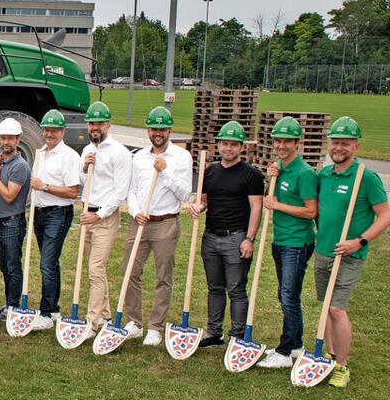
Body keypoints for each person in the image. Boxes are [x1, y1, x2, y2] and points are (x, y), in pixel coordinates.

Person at [311, 116, 390, 388]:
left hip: (349, 254)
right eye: (335, 142)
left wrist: (360, 242)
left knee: (336, 308)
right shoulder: (324, 173)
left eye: (345, 143)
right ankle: (331, 357)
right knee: (325, 307)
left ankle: (342, 365)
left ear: (356, 146)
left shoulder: (366, 177)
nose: (339, 147)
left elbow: (385, 217)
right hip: (323, 249)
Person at [121, 106, 192, 346]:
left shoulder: (182, 157)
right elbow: (130, 190)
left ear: (170, 130)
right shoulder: (138, 157)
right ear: (148, 130)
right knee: (130, 271)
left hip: (166, 223)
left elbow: (184, 194)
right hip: (140, 221)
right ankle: (135, 322)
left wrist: (165, 173)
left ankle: (155, 327)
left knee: (163, 277)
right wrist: (135, 211)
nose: (158, 133)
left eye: (162, 129)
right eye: (153, 129)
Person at [189, 121, 264, 348]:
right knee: (214, 287)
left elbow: (257, 208)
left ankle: (237, 335)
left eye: (233, 145)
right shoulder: (210, 172)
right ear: (218, 145)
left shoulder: (251, 175)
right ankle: (214, 333)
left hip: (236, 238)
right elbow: (204, 201)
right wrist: (197, 207)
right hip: (211, 236)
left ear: (241, 147)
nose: (228, 148)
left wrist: (249, 239)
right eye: (224, 144)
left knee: (236, 289)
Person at [255, 117, 318, 369]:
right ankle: (297, 345)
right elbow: (273, 196)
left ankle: (284, 351)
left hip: (297, 242)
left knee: (288, 296)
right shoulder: (279, 168)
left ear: (297, 143)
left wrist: (277, 205)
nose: (280, 145)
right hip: (280, 239)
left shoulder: (304, 173)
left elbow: (311, 211)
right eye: (277, 140)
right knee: (286, 295)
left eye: (286, 141)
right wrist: (271, 178)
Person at [77, 101, 131, 340]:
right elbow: (82, 182)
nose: (95, 127)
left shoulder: (119, 152)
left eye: (99, 123)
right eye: (91, 123)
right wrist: (84, 166)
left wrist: (98, 214)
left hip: (104, 217)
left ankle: (91, 322)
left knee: (95, 269)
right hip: (87, 214)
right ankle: (105, 315)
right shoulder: (87, 150)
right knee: (93, 268)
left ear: (108, 124)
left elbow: (120, 191)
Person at [27, 109, 81, 330]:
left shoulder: (69, 156)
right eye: (47, 130)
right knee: (51, 263)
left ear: (62, 131)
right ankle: (55, 308)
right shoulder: (41, 152)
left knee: (46, 264)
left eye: (54, 130)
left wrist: (45, 187)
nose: (49, 134)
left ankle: (47, 313)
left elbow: (72, 192)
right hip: (39, 213)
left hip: (58, 213)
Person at [0, 118, 31, 318]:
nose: (6, 142)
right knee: (4, 266)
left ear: (18, 139)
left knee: (13, 266)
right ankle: (9, 302)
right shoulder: (2, 162)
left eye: (10, 138)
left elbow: (8, 195)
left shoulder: (20, 166)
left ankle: (13, 305)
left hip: (12, 222)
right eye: (3, 138)